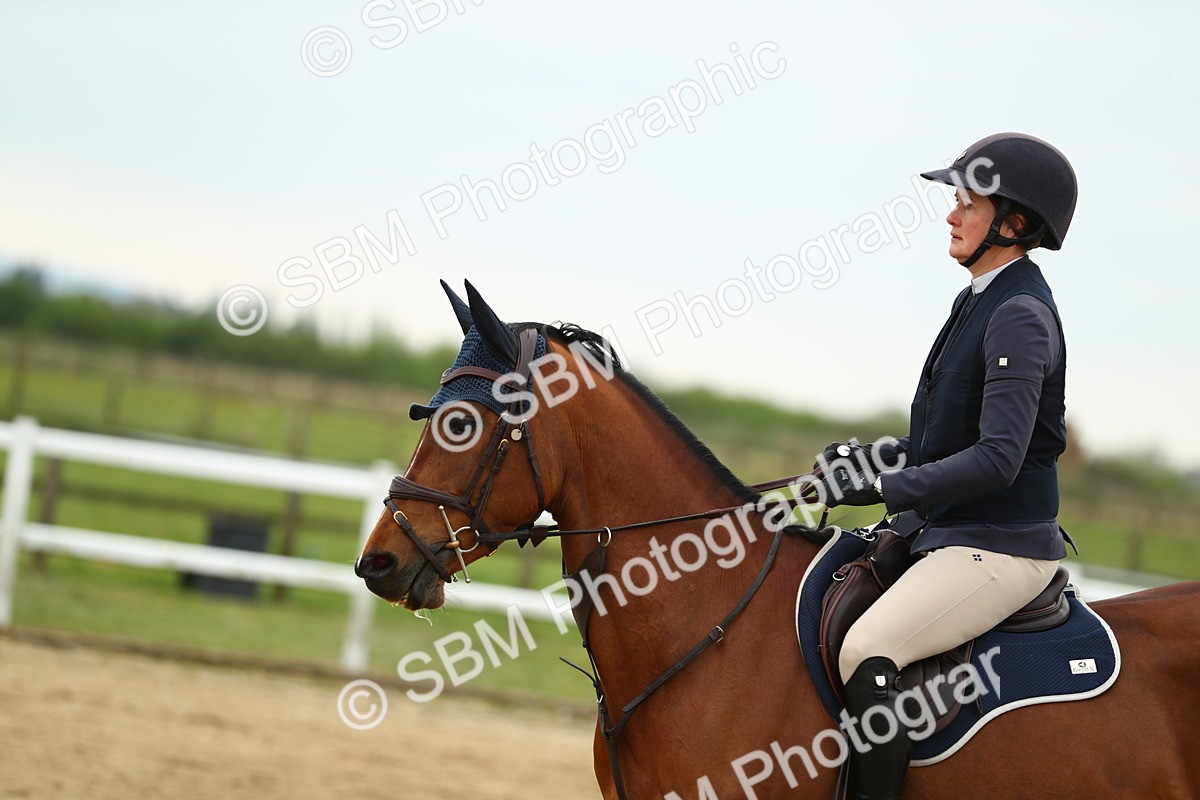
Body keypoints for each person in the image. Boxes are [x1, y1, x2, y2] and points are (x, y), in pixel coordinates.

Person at [806, 132, 1079, 800]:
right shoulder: (981, 299)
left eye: (968, 202)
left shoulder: (1018, 313)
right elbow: (941, 441)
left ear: (1013, 222)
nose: (952, 214)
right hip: (953, 535)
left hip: (1000, 549)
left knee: (867, 650)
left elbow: (996, 459)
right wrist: (864, 461)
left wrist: (882, 487)